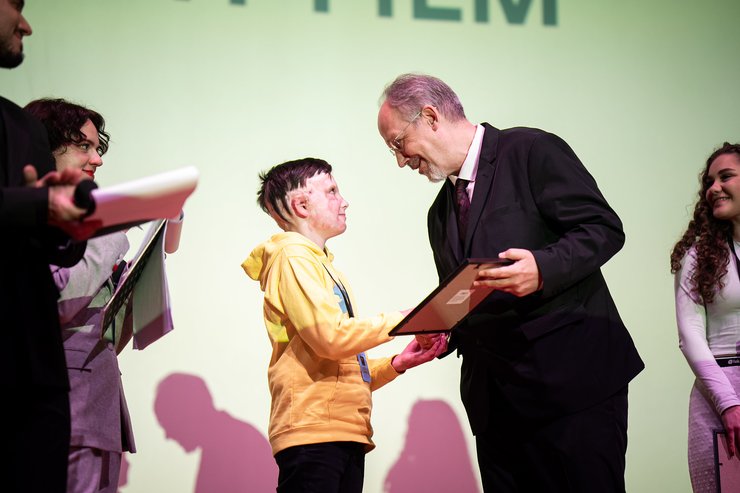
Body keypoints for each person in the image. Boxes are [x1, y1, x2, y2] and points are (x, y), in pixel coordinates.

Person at [376, 73, 644, 492]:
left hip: (570, 390)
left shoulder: (531, 150)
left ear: (430, 117)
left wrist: (543, 267)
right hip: (497, 409)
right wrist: (442, 329)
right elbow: (467, 293)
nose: (400, 161)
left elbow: (603, 228)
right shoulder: (438, 214)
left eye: (398, 143)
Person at [241, 157, 447, 493]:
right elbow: (331, 339)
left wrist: (397, 364)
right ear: (301, 205)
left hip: (341, 431)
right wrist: (408, 319)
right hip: (314, 432)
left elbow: (338, 365)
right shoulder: (293, 257)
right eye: (332, 191)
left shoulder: (320, 264)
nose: (344, 201)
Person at [25, 97, 185, 493]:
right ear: (45, 147)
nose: (97, 159)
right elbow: (57, 300)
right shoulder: (30, 218)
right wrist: (114, 229)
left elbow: (108, 330)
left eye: (98, 148)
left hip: (96, 409)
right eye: (84, 146)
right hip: (64, 409)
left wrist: (137, 273)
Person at [0, 2, 92, 492]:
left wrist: (69, 222)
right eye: (15, 5)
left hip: (33, 371)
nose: (26, 25)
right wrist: (36, 205)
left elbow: (54, 250)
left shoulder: (22, 127)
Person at [671, 142, 740, 492]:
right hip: (718, 399)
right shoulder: (697, 256)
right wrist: (729, 404)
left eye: (725, 177)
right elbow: (690, 334)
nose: (714, 188)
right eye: (709, 182)